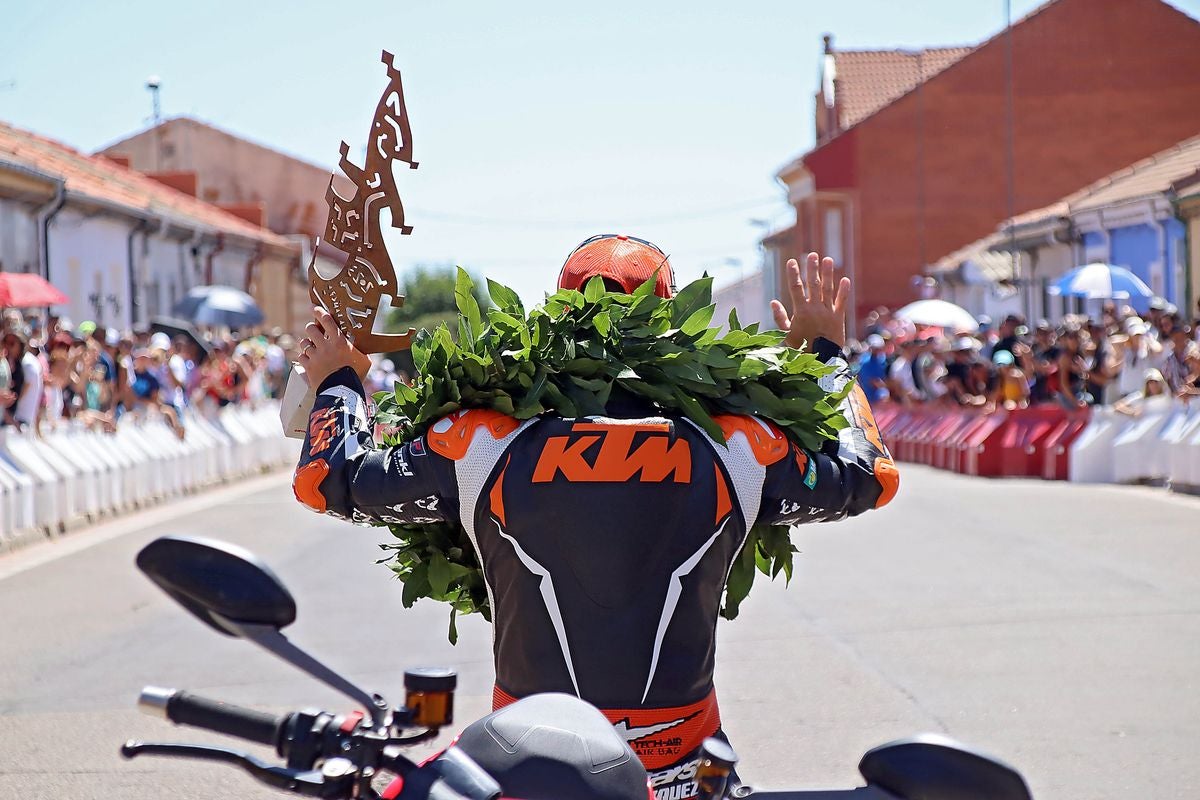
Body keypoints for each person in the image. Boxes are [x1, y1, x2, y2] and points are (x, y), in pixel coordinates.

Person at [291, 241, 898, 797]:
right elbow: (871, 475)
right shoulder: (742, 444)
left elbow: (327, 482)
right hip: (684, 766)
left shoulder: (476, 438)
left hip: (526, 764)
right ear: (669, 320)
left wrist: (338, 380)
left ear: (556, 315)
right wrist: (825, 356)